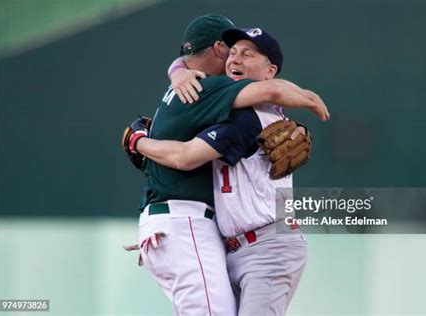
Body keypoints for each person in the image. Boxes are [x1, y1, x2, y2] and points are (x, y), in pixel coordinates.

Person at [124, 14, 329, 315]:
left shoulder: (246, 116)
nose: (236, 57)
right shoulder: (228, 103)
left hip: (268, 246)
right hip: (236, 247)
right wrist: (177, 70)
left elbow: (185, 156)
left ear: (270, 69)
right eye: (233, 51)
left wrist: (137, 140)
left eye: (248, 53)